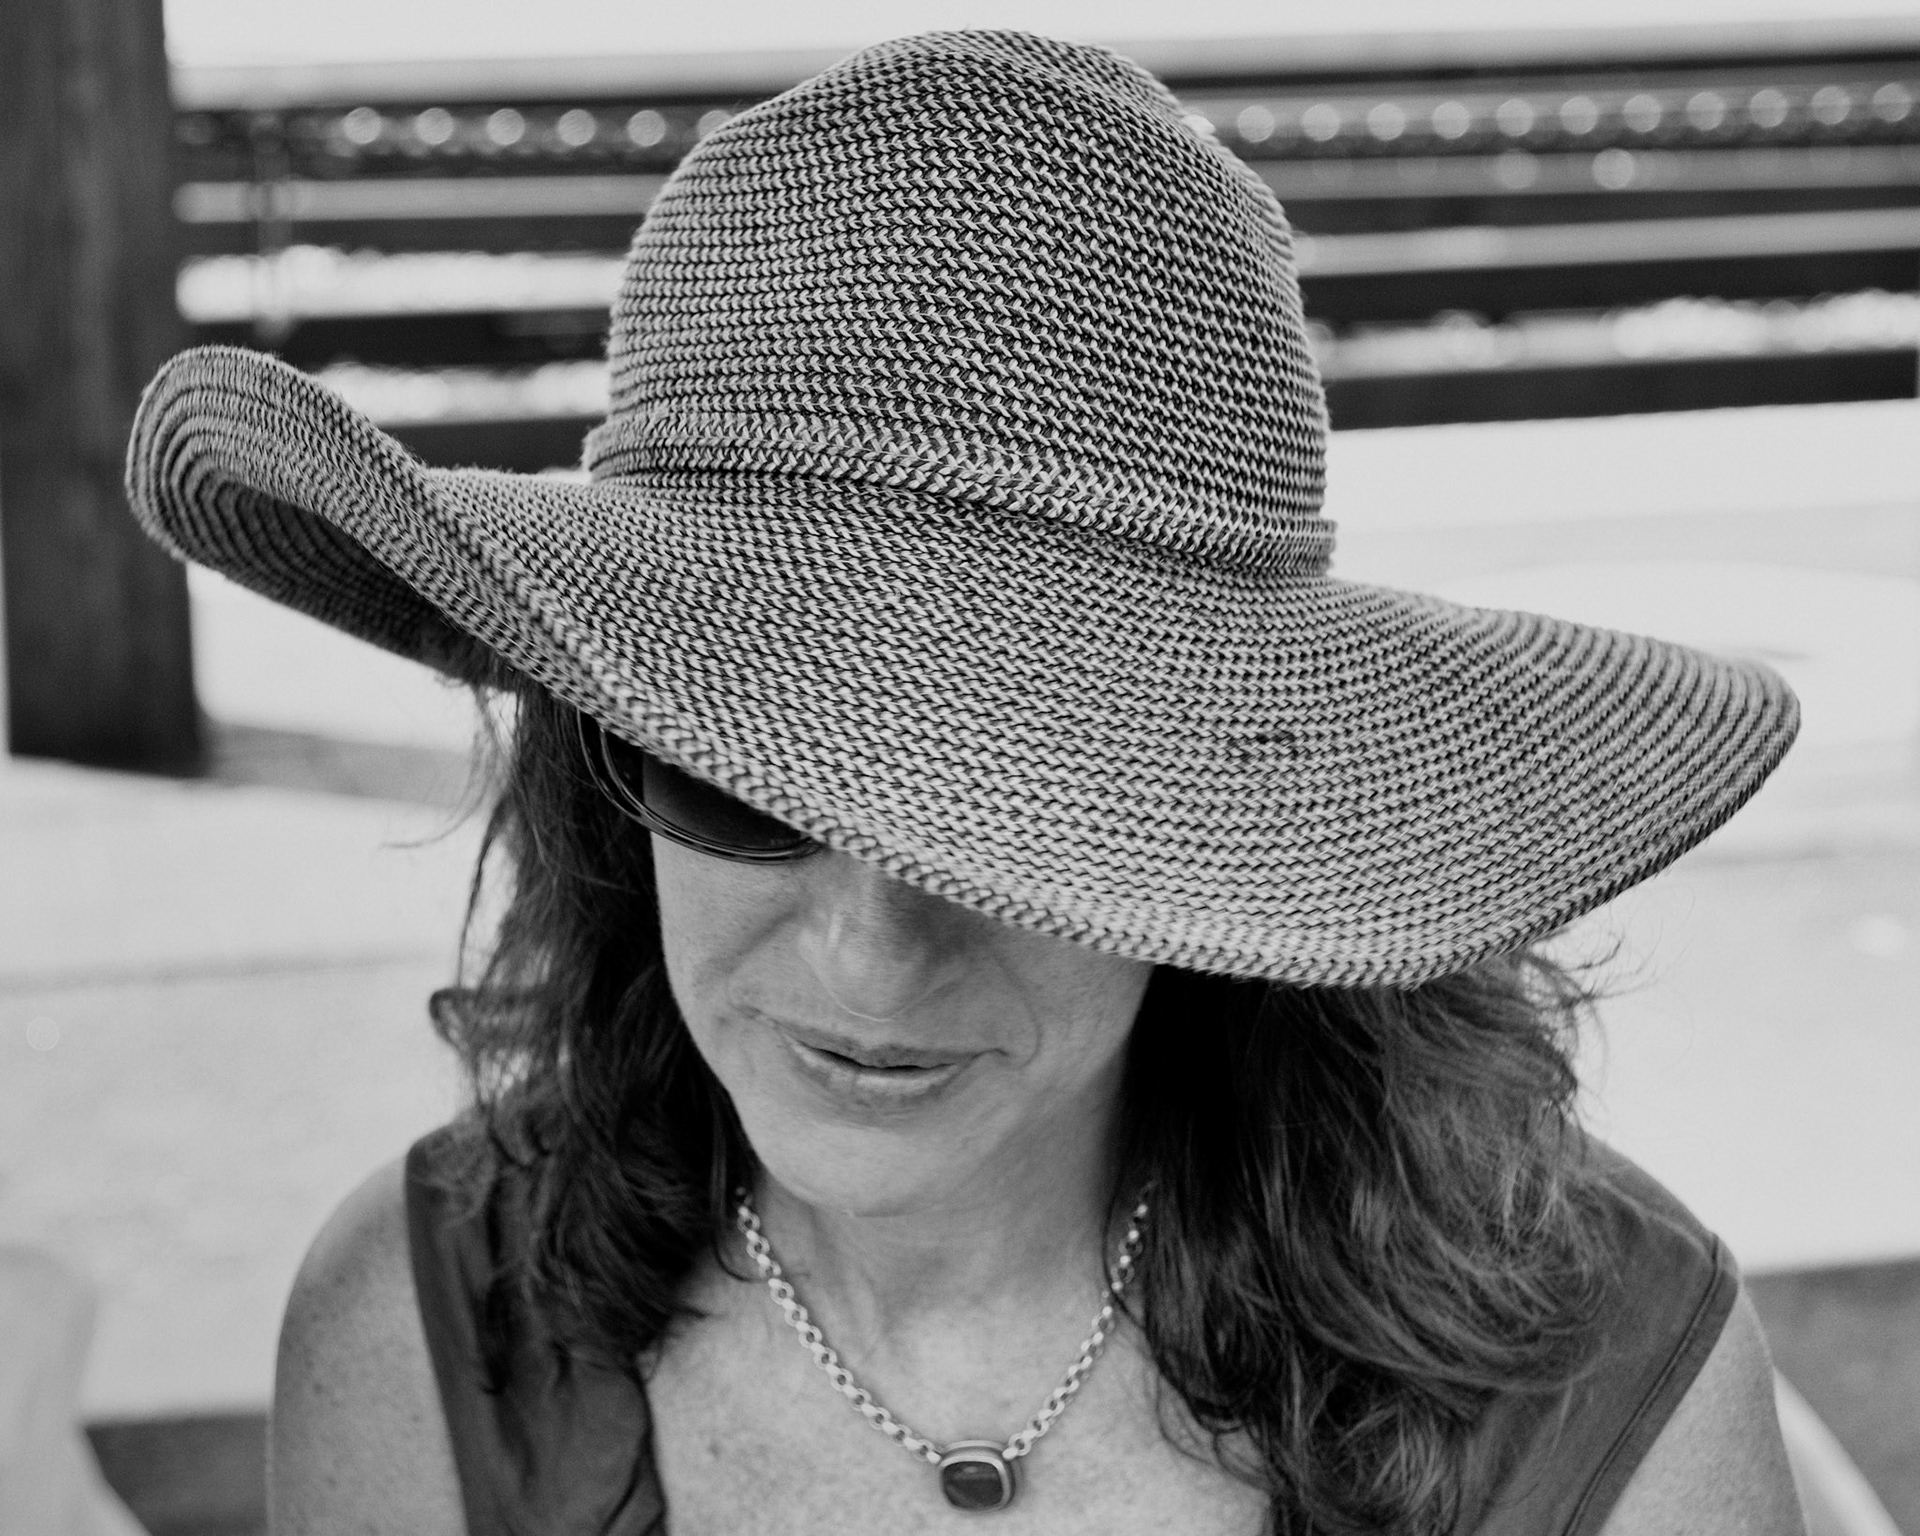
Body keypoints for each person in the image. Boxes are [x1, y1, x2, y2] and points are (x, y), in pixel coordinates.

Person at [125, 30, 1807, 1536]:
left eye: (1015, 825)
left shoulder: (1598, 1382)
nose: (869, 957)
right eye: (743, 783)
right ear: (600, 761)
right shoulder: (417, 1333)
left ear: (1230, 827)